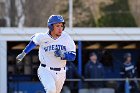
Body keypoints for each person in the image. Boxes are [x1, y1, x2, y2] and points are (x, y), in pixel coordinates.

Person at [16, 15, 76, 93]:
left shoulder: (66, 38)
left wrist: (64, 55)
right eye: (57, 26)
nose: (60, 28)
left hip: (61, 72)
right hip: (45, 69)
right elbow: (33, 43)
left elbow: (73, 56)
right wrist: (23, 53)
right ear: (51, 27)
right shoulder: (42, 36)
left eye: (61, 26)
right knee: (51, 90)